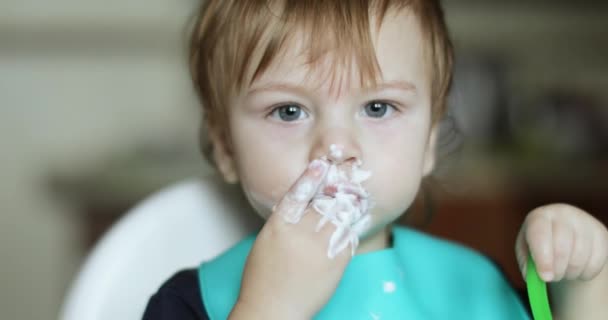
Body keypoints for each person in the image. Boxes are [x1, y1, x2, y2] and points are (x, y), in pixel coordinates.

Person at [143, 1, 608, 319]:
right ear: (225, 147)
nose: (337, 146)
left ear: (428, 140)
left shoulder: (475, 286)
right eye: (288, 111)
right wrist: (268, 308)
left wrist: (588, 284)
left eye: (378, 107)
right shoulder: (190, 303)